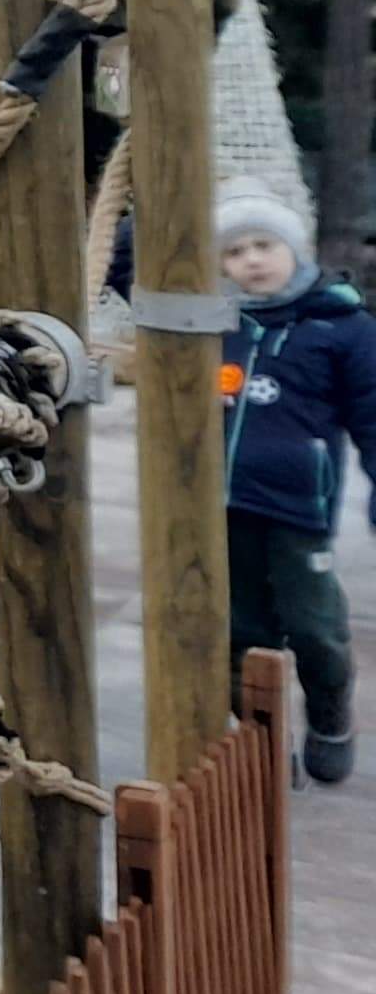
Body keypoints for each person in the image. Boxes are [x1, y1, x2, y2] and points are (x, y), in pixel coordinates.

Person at [206, 182, 373, 785]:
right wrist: (140, 206)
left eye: (263, 244)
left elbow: (372, 413)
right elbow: (126, 270)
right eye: (234, 251)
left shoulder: (340, 326)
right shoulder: (215, 326)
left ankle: (329, 717)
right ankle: (263, 744)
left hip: (301, 512)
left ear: (294, 248)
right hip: (225, 509)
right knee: (242, 635)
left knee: (314, 629)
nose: (251, 260)